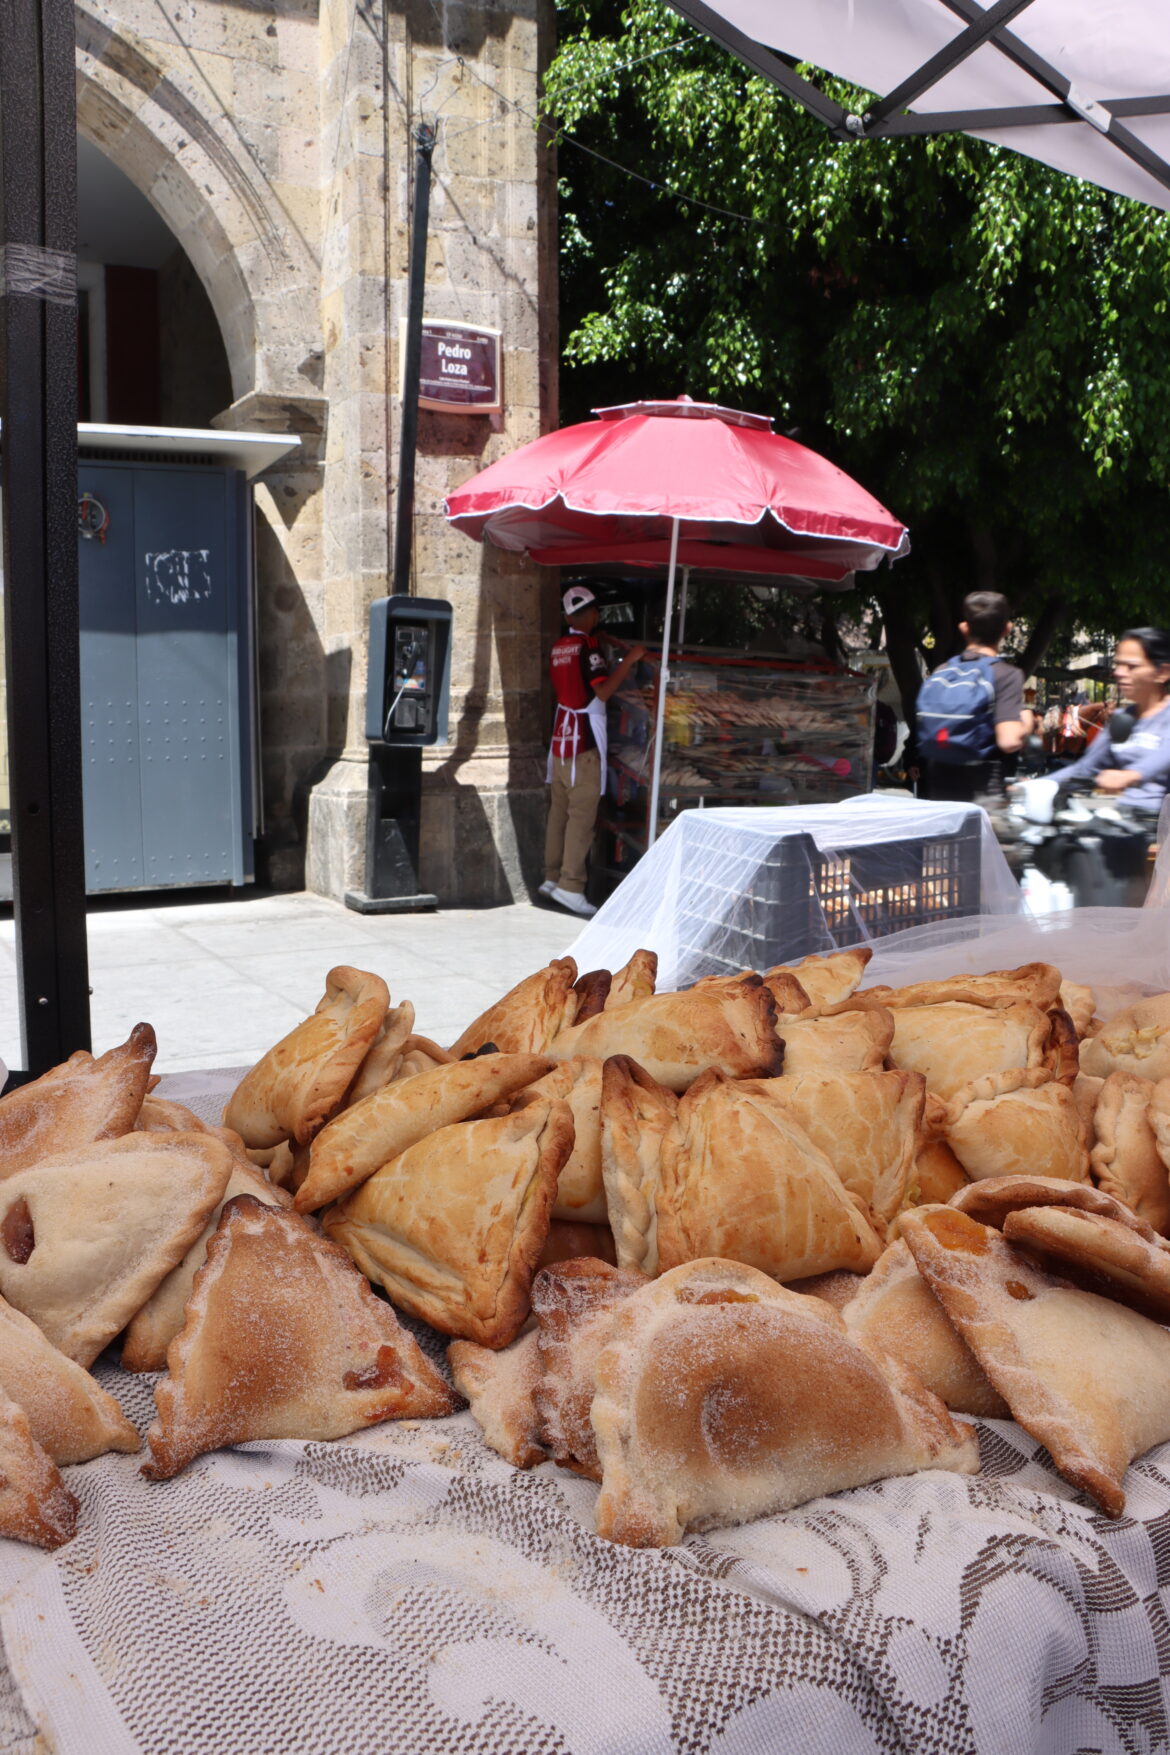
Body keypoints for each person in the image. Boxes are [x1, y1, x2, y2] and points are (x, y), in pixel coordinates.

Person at [540, 584, 645, 918]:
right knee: (581, 818)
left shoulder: (560, 646)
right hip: (582, 743)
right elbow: (602, 692)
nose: (598, 616)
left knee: (559, 812)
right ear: (586, 615)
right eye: (595, 611)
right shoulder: (588, 646)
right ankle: (571, 886)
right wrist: (630, 659)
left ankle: (551, 876)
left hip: (560, 741)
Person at [916, 591, 1035, 802]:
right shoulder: (1006, 675)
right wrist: (1027, 721)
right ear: (1007, 629)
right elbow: (1009, 740)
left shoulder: (943, 670)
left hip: (937, 789)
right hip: (982, 794)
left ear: (964, 628)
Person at [1055, 628, 1170, 819]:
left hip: (1157, 825)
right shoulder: (1121, 718)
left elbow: (1164, 755)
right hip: (1115, 814)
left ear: (1162, 672)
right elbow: (1084, 768)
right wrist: (1034, 786)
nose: (1119, 673)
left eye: (1131, 666)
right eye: (1118, 665)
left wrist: (1130, 775)